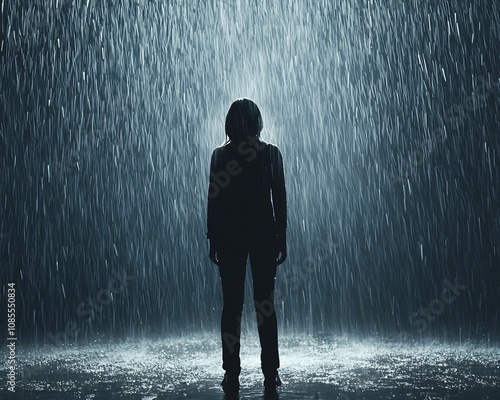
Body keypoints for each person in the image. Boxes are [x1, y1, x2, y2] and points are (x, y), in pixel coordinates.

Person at [206, 98, 287, 393]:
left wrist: (212, 238)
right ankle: (270, 372)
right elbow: (279, 200)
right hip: (264, 235)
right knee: (265, 304)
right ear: (258, 123)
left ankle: (232, 372)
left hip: (230, 237)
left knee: (232, 306)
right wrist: (283, 237)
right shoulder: (271, 155)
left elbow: (213, 200)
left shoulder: (219, 156)